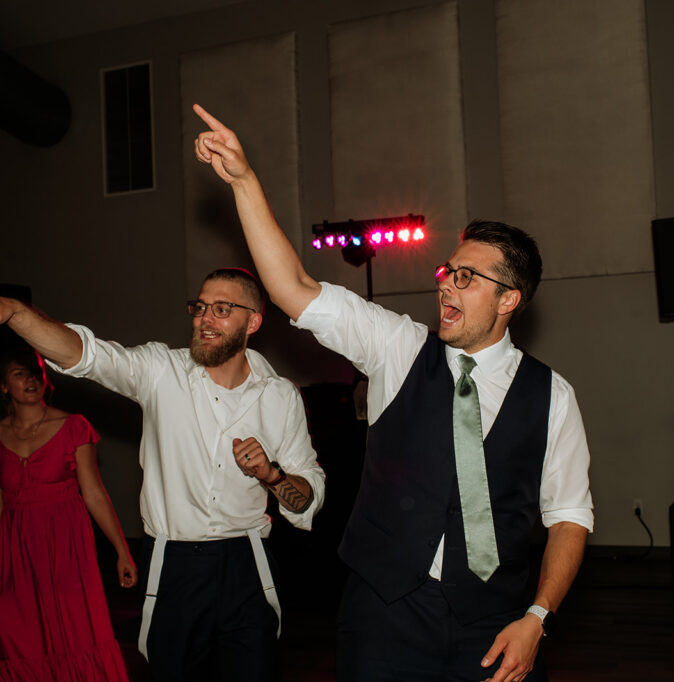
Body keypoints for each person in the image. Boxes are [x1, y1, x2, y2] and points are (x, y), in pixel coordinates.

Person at [191, 104, 593, 682]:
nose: (446, 286)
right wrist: (244, 183)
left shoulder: (553, 395)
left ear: (509, 300)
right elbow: (292, 286)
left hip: (496, 622)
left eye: (466, 277)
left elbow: (570, 517)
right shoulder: (398, 347)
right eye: (446, 271)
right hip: (384, 613)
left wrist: (537, 616)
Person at [0, 266, 325, 681]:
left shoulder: (280, 396)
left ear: (253, 321)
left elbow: (309, 490)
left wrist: (271, 475)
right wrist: (15, 314)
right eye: (200, 307)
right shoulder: (161, 371)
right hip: (174, 564)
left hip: (247, 564)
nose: (204, 319)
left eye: (221, 309)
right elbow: (84, 354)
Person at [0, 346, 136, 680]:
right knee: (20, 635)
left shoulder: (73, 426)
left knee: (77, 630)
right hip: (16, 552)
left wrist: (122, 551)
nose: (30, 380)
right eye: (19, 374)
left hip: (66, 545)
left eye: (35, 373)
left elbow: (94, 493)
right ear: (4, 387)